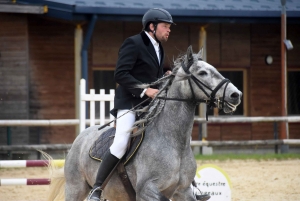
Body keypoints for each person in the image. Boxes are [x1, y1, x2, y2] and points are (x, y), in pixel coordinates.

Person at [87, 8, 174, 201]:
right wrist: (145, 90)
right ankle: (97, 189)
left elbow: (151, 76)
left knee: (169, 137)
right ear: (152, 26)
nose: (169, 30)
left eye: (169, 27)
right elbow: (121, 74)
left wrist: (165, 77)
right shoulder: (133, 43)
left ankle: (188, 186)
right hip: (129, 102)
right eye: (165, 26)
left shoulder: (159, 47)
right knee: (120, 143)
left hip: (148, 105)